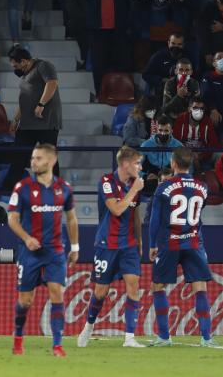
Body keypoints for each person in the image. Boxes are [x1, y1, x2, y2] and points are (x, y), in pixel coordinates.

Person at [8, 144, 78, 357]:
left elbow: (71, 218)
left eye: (37, 158)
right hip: (29, 253)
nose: (33, 162)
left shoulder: (64, 188)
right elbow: (12, 219)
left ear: (51, 161)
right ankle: (18, 338)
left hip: (55, 251)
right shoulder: (22, 188)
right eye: (32, 158)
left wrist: (75, 246)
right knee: (25, 301)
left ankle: (57, 345)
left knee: (57, 293)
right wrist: (26, 238)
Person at [77, 146, 146, 348]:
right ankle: (88, 328)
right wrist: (134, 190)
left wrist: (140, 242)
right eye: (137, 163)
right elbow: (116, 210)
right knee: (101, 292)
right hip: (107, 244)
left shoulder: (136, 185)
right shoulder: (107, 182)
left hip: (129, 245)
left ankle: (130, 338)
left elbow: (134, 215)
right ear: (125, 164)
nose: (140, 167)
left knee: (133, 286)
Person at [148, 147, 218, 347]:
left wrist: (152, 244)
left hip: (170, 242)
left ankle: (164, 337)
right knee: (200, 287)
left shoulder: (163, 187)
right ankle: (206, 338)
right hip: (194, 242)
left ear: (173, 164)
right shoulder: (203, 187)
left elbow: (155, 220)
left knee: (157, 286)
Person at [2, 46, 62, 190]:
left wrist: (41, 104)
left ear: (23, 61)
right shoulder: (25, 75)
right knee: (18, 156)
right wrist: (15, 120)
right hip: (27, 124)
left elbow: (52, 83)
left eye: (16, 65)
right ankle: (8, 190)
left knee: (48, 157)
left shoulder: (43, 66)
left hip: (46, 122)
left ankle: (55, 189)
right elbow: (24, 100)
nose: (15, 68)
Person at [81, 0, 131, 94]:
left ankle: (119, 92)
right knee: (99, 63)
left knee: (119, 60)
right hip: (97, 27)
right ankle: (101, 93)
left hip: (118, 25)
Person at [140, 115, 183, 194]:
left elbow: (185, 167)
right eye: (160, 130)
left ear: (171, 131)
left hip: (171, 177)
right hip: (151, 177)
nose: (163, 133)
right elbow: (135, 166)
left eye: (166, 131)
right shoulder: (146, 145)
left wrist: (174, 176)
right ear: (156, 130)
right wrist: (144, 176)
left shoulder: (178, 146)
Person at [172, 96, 219, 165]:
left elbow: (213, 143)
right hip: (185, 155)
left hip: (203, 155)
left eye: (201, 108)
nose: (199, 111)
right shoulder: (180, 119)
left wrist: (201, 156)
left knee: (219, 154)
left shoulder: (207, 121)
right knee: (187, 163)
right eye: (195, 108)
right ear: (189, 109)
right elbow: (175, 141)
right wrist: (189, 155)